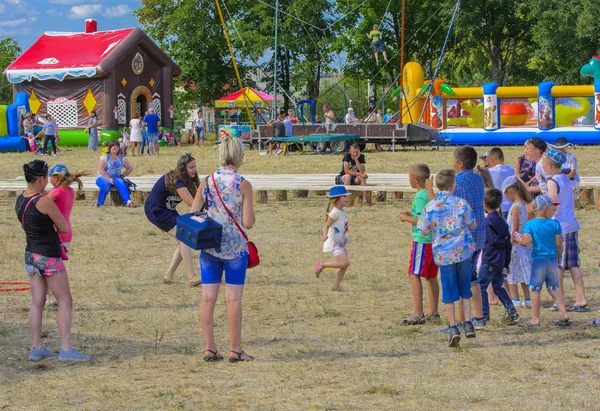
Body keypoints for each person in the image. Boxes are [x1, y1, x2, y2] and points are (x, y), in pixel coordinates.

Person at [190, 137, 256, 362]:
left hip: (210, 246)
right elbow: (247, 222)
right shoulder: (243, 183)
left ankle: (209, 347)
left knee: (208, 299)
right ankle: (235, 349)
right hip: (236, 249)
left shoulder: (207, 181)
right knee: (234, 300)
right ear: (240, 156)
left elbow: (194, 211)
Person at [16, 160, 90, 361]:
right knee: (65, 300)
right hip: (48, 255)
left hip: (30, 255)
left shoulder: (20, 200)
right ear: (41, 179)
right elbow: (64, 226)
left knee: (37, 302)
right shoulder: (44, 201)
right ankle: (66, 349)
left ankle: (36, 346)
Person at [417, 169, 477, 347]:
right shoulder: (461, 203)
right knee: (465, 288)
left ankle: (453, 327)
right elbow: (473, 223)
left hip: (444, 254)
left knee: (449, 292)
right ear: (453, 185)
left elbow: (423, 229)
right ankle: (468, 323)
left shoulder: (431, 206)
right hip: (463, 250)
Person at [514, 195, 571, 327]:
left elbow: (526, 241)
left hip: (538, 260)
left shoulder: (530, 224)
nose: (555, 210)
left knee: (535, 290)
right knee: (554, 288)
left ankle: (535, 318)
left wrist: (517, 238)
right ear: (546, 209)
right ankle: (564, 313)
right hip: (552, 260)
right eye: (553, 208)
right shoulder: (555, 224)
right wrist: (557, 256)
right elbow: (558, 244)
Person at [543, 149, 589, 312]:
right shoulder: (564, 178)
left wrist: (546, 216)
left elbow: (553, 201)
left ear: (548, 166)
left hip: (559, 227)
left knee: (559, 266)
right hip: (571, 225)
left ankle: (559, 299)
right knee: (573, 264)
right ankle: (581, 298)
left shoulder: (551, 182)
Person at [145, 154, 201, 287]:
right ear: (183, 168)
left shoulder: (187, 180)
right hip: (156, 210)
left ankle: (168, 276)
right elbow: (193, 204)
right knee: (184, 238)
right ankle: (192, 277)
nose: (194, 170)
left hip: (167, 209)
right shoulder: (178, 182)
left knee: (183, 239)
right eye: (191, 167)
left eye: (195, 167)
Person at [44, 164, 88, 308]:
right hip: (66, 232)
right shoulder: (68, 191)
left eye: (50, 176)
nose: (49, 179)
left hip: (56, 234)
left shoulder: (57, 192)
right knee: (55, 267)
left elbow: (41, 203)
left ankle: (47, 299)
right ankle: (56, 297)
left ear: (56, 177)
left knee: (46, 268)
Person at [452, 146, 486, 330]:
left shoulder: (458, 182)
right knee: (472, 275)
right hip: (480, 231)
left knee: (464, 278)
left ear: (460, 163)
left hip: (465, 235)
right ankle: (478, 317)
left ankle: (461, 319)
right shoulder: (478, 179)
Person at [399, 163, 439, 324]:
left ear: (415, 179)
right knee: (431, 276)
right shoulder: (426, 194)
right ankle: (434, 312)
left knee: (414, 274)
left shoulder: (421, 196)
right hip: (432, 242)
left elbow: (425, 221)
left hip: (422, 241)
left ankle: (417, 313)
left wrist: (407, 218)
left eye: (409, 177)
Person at [479, 188, 519, 324]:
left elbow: (492, 240)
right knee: (497, 287)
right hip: (501, 260)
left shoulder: (488, 221)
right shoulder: (502, 221)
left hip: (490, 259)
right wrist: (506, 263)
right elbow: (508, 243)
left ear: (484, 203)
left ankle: (483, 315)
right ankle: (512, 312)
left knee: (481, 286)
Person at [502, 176, 533, 309]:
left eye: (506, 194)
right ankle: (527, 298)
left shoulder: (515, 207)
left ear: (510, 190)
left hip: (515, 244)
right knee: (522, 273)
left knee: (512, 274)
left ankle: (515, 299)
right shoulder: (524, 206)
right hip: (522, 244)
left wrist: (510, 243)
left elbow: (514, 229)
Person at [315, 186, 350, 291]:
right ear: (338, 199)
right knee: (345, 263)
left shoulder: (343, 211)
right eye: (344, 196)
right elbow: (326, 226)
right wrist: (324, 235)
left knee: (344, 266)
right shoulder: (334, 213)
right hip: (336, 243)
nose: (347, 198)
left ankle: (336, 286)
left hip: (342, 242)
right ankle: (323, 265)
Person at [96, 140, 136, 208]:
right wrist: (108, 179)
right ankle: (99, 203)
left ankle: (128, 201)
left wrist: (122, 175)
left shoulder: (121, 158)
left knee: (121, 183)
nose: (115, 148)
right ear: (110, 148)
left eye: (117, 146)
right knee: (106, 185)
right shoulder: (105, 157)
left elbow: (130, 168)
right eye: (113, 146)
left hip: (116, 178)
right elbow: (101, 169)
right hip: (103, 177)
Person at [549, 137, 580, 201]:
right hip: (558, 180)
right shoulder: (554, 158)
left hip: (571, 180)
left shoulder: (571, 157)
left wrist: (563, 178)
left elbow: (573, 172)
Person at [487, 147, 515, 218]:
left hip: (497, 208)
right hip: (511, 206)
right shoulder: (512, 170)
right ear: (503, 159)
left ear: (491, 160)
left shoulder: (489, 172)